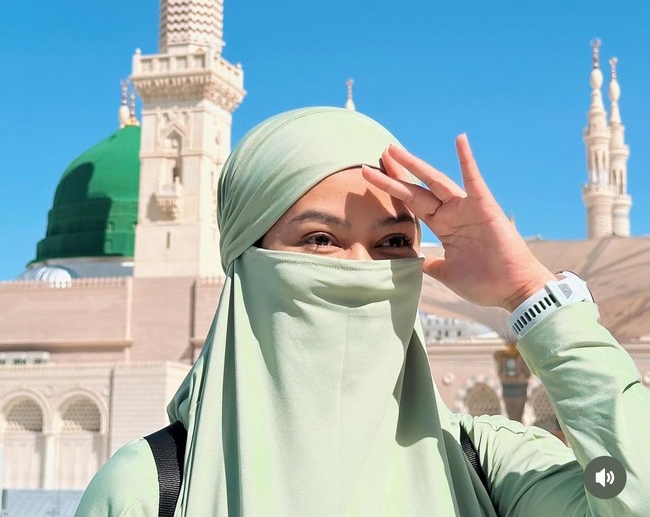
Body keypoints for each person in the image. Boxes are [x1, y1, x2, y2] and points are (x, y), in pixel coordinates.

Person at [75, 106, 648, 516]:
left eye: (394, 243)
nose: (360, 267)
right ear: (245, 258)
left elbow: (631, 493)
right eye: (320, 240)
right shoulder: (148, 491)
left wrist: (529, 292)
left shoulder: (491, 464)